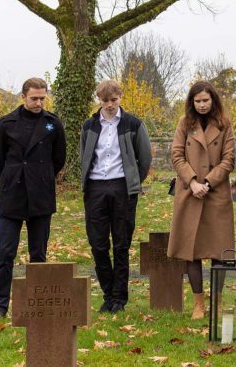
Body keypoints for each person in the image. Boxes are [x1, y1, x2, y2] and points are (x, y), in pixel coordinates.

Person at [0, 77, 66, 320]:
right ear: (23, 97)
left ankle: (37, 301)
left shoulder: (53, 124)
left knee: (38, 254)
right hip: (12, 196)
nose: (39, 102)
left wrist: (41, 177)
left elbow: (59, 158)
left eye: (42, 98)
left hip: (41, 196)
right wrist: (12, 178)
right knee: (5, 253)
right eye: (34, 98)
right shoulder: (5, 124)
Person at [80, 80, 152, 314]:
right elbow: (84, 155)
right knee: (98, 245)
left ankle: (119, 298)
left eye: (113, 100)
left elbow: (145, 157)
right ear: (98, 100)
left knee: (121, 244)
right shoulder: (89, 126)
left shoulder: (133, 124)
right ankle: (108, 293)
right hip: (95, 188)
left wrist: (133, 181)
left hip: (123, 189)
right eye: (105, 100)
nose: (109, 105)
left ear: (120, 98)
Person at [168, 81, 236, 319]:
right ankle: (199, 303)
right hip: (190, 192)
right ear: (191, 102)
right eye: (198, 101)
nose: (202, 105)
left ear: (213, 100)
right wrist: (193, 181)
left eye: (206, 100)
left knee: (220, 250)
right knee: (192, 250)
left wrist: (208, 182)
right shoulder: (184, 123)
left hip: (215, 193)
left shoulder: (225, 124)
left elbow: (229, 159)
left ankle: (216, 302)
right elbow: (176, 155)